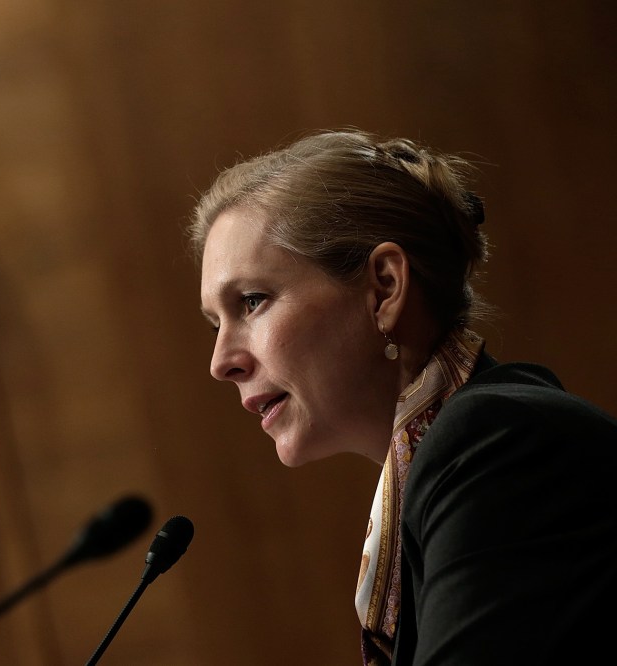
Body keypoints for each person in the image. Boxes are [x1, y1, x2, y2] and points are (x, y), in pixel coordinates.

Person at [189, 129, 617, 665]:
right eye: (214, 325)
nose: (221, 362)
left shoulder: (497, 445)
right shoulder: (446, 466)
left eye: (252, 301)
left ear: (385, 288)